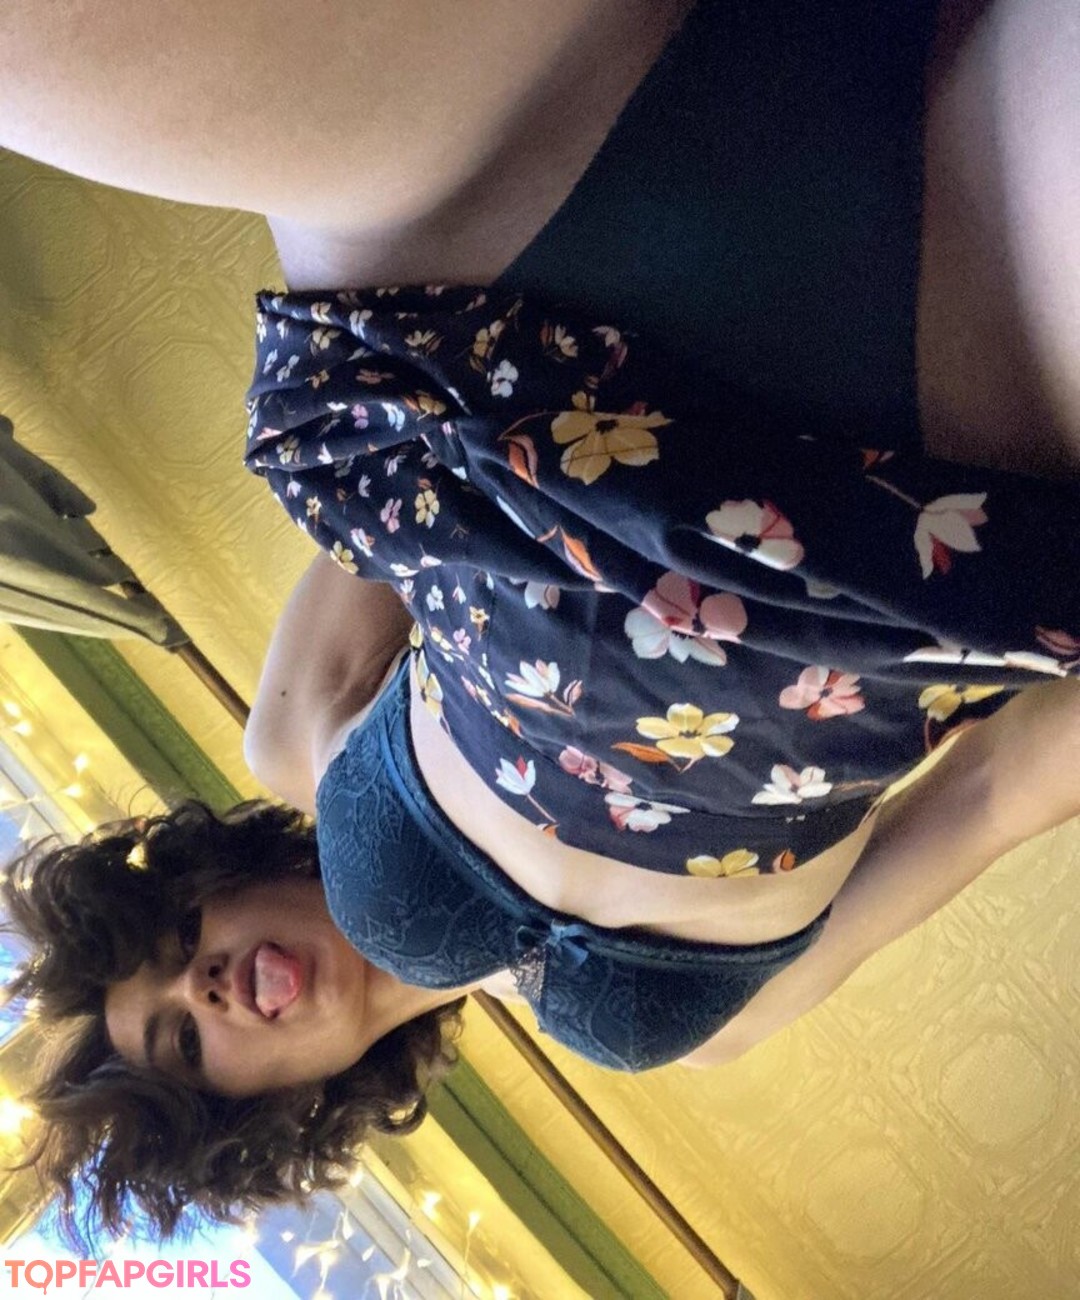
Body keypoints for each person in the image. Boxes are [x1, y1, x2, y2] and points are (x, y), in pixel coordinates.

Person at [2, 0, 1078, 1247]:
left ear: (213, 880)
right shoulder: (719, 1029)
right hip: (961, 459)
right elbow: (998, 792)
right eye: (187, 1043)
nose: (203, 984)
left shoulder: (297, 742)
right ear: (274, 1106)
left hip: (609, 270)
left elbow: (416, 471)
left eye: (179, 936)